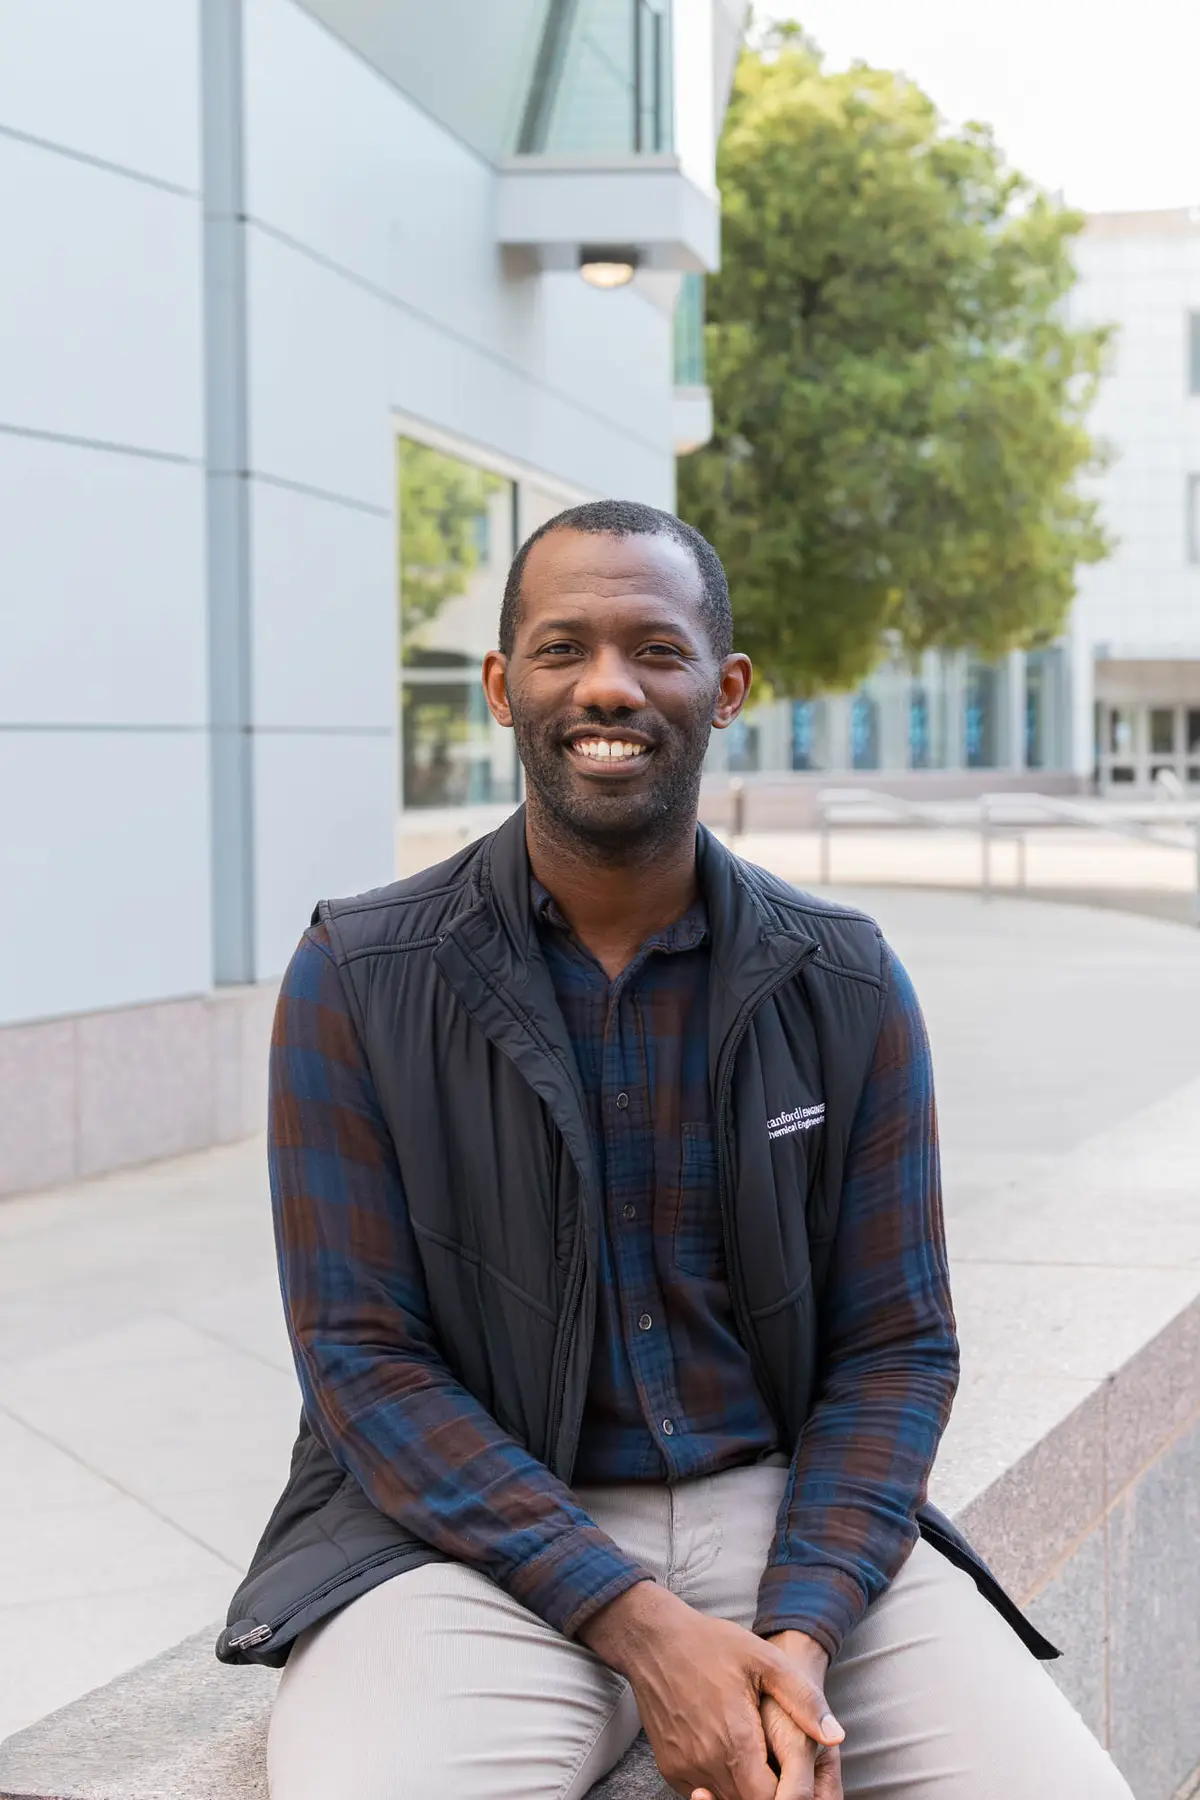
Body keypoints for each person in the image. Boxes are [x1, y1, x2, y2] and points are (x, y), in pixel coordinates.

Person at [220, 501, 1131, 1800]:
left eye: (656, 648)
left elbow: (897, 1347)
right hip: (462, 1549)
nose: (607, 685)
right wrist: (646, 1631)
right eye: (561, 649)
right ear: (500, 685)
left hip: (783, 1522)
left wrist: (804, 1629)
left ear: (725, 689)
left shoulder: (845, 980)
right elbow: (364, 1363)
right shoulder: (358, 978)